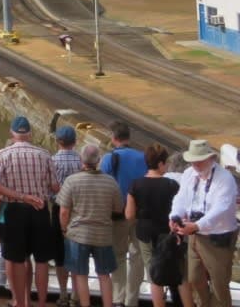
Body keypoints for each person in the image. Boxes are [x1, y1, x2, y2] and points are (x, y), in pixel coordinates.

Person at [0, 117, 58, 307]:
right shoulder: (44, 154)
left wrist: (21, 196)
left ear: (12, 133)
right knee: (42, 260)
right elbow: (54, 186)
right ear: (29, 133)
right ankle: (42, 303)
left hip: (14, 210)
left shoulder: (3, 154)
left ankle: (21, 303)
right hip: (40, 209)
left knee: (17, 259)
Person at [169, 139, 238, 307]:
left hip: (217, 237)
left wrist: (197, 225)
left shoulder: (225, 178)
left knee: (220, 284)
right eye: (193, 161)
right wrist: (175, 215)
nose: (196, 165)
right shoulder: (188, 174)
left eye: (199, 161)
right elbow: (181, 198)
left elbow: (220, 208)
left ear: (211, 159)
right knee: (193, 278)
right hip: (195, 235)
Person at [57, 145, 123, 307]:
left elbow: (64, 211)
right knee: (104, 274)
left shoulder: (72, 181)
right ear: (99, 161)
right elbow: (118, 208)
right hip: (103, 236)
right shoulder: (111, 182)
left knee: (80, 275)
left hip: (78, 236)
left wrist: (64, 228)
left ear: (81, 160)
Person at [125, 143, 185, 307]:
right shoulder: (172, 185)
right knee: (178, 272)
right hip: (168, 234)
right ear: (160, 164)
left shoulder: (135, 185)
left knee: (154, 274)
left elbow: (129, 215)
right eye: (165, 163)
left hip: (145, 233)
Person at [99, 121, 147, 307]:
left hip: (118, 215)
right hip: (140, 215)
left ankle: (118, 298)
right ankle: (131, 300)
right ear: (128, 137)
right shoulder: (143, 157)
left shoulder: (109, 158)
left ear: (113, 138)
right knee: (138, 257)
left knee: (118, 255)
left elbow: (103, 185)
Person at [49, 126, 84, 306]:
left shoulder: (52, 161)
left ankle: (63, 293)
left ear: (58, 141)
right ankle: (76, 295)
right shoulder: (81, 161)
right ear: (74, 141)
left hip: (58, 209)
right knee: (77, 253)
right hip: (79, 210)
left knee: (60, 255)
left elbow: (48, 189)